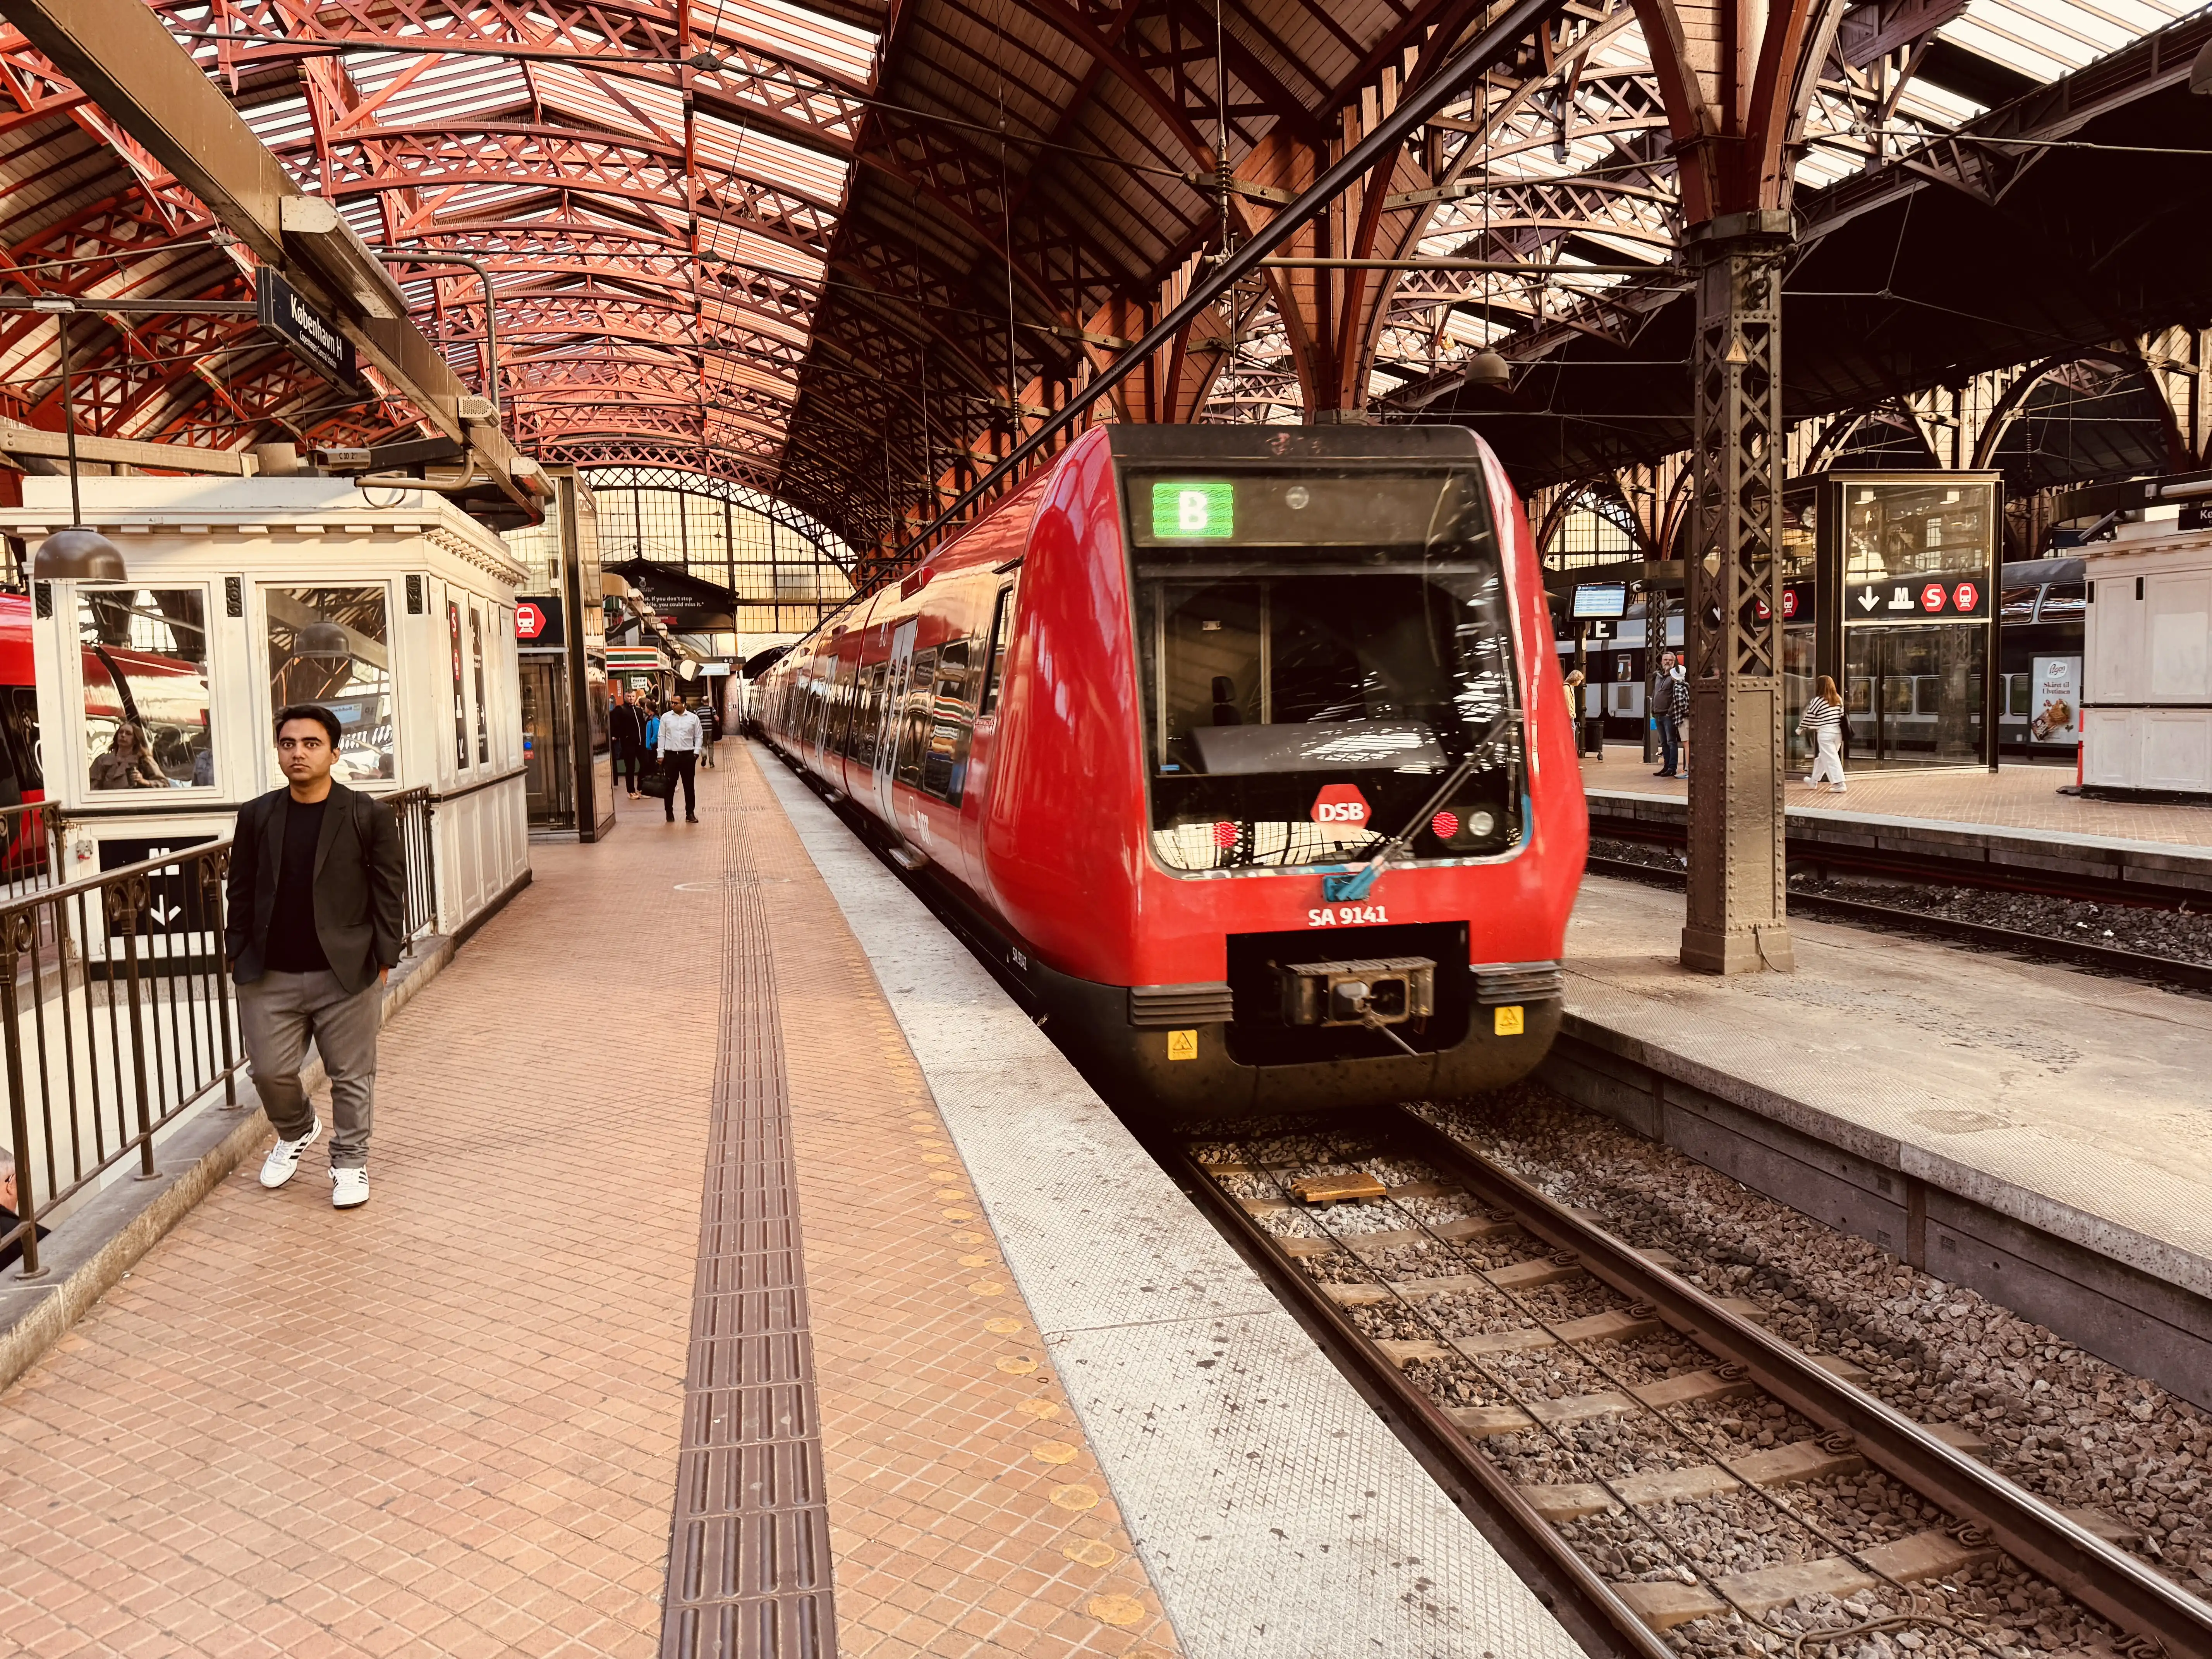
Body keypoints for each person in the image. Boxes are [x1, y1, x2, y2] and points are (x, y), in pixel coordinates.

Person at [225, 704, 405, 1210]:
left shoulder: (366, 813)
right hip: (269, 972)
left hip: (347, 971)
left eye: (310, 744)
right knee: (269, 1072)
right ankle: (298, 1128)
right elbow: (239, 890)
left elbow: (389, 891)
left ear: (334, 751)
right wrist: (236, 952)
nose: (298, 753)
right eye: (288, 744)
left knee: (352, 1074)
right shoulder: (257, 815)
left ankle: (349, 1163)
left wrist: (385, 957)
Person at [657, 690, 703, 824]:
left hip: (688, 756)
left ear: (684, 704)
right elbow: (662, 736)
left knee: (689, 786)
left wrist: (696, 753)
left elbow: (699, 736)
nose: (673, 705)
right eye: (672, 703)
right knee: (670, 785)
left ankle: (690, 813)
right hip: (671, 756)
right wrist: (661, 754)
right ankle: (669, 812)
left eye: (675, 703)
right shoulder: (666, 718)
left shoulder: (693, 718)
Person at [1800, 673, 1847, 793]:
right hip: (1837, 733)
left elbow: (1810, 716)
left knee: (1831, 758)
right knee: (1824, 758)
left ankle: (1839, 784)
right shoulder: (1838, 699)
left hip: (1825, 733)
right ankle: (1813, 781)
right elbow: (1841, 716)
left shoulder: (1817, 701)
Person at [89, 722, 165, 790]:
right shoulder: (103, 760)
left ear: (135, 740)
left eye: (128, 734)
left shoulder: (144, 761)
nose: (123, 735)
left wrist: (144, 781)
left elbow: (164, 784)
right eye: (121, 732)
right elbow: (93, 787)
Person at [607, 688, 647, 800]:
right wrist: (618, 735)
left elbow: (642, 725)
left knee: (645, 763)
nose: (631, 698)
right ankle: (631, 791)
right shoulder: (620, 710)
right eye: (629, 696)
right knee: (630, 767)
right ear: (625, 697)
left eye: (633, 696)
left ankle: (641, 788)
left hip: (641, 743)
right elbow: (613, 722)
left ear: (636, 697)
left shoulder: (639, 710)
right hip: (628, 744)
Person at [1654, 651, 1687, 779]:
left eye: (1670, 660)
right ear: (1662, 662)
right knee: (1663, 743)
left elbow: (1676, 697)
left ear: (1674, 663)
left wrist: (1670, 712)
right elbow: (1655, 693)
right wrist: (1653, 709)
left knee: (1671, 742)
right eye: (1665, 660)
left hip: (1668, 715)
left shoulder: (1675, 678)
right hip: (1658, 714)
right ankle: (1666, 766)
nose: (1667, 662)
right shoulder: (1658, 677)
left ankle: (1672, 768)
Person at [1563, 669, 1586, 757]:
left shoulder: (1570, 687)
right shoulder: (1566, 688)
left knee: (1572, 736)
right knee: (1571, 736)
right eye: (1580, 680)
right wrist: (1570, 714)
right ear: (1575, 679)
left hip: (1571, 716)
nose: (1580, 683)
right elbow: (1567, 702)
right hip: (1569, 717)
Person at [698, 695, 720, 768]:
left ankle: (704, 756)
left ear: (702, 702)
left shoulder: (699, 710)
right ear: (708, 702)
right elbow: (717, 719)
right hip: (710, 730)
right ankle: (711, 763)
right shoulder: (712, 710)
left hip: (702, 731)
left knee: (703, 745)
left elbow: (696, 721)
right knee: (711, 746)